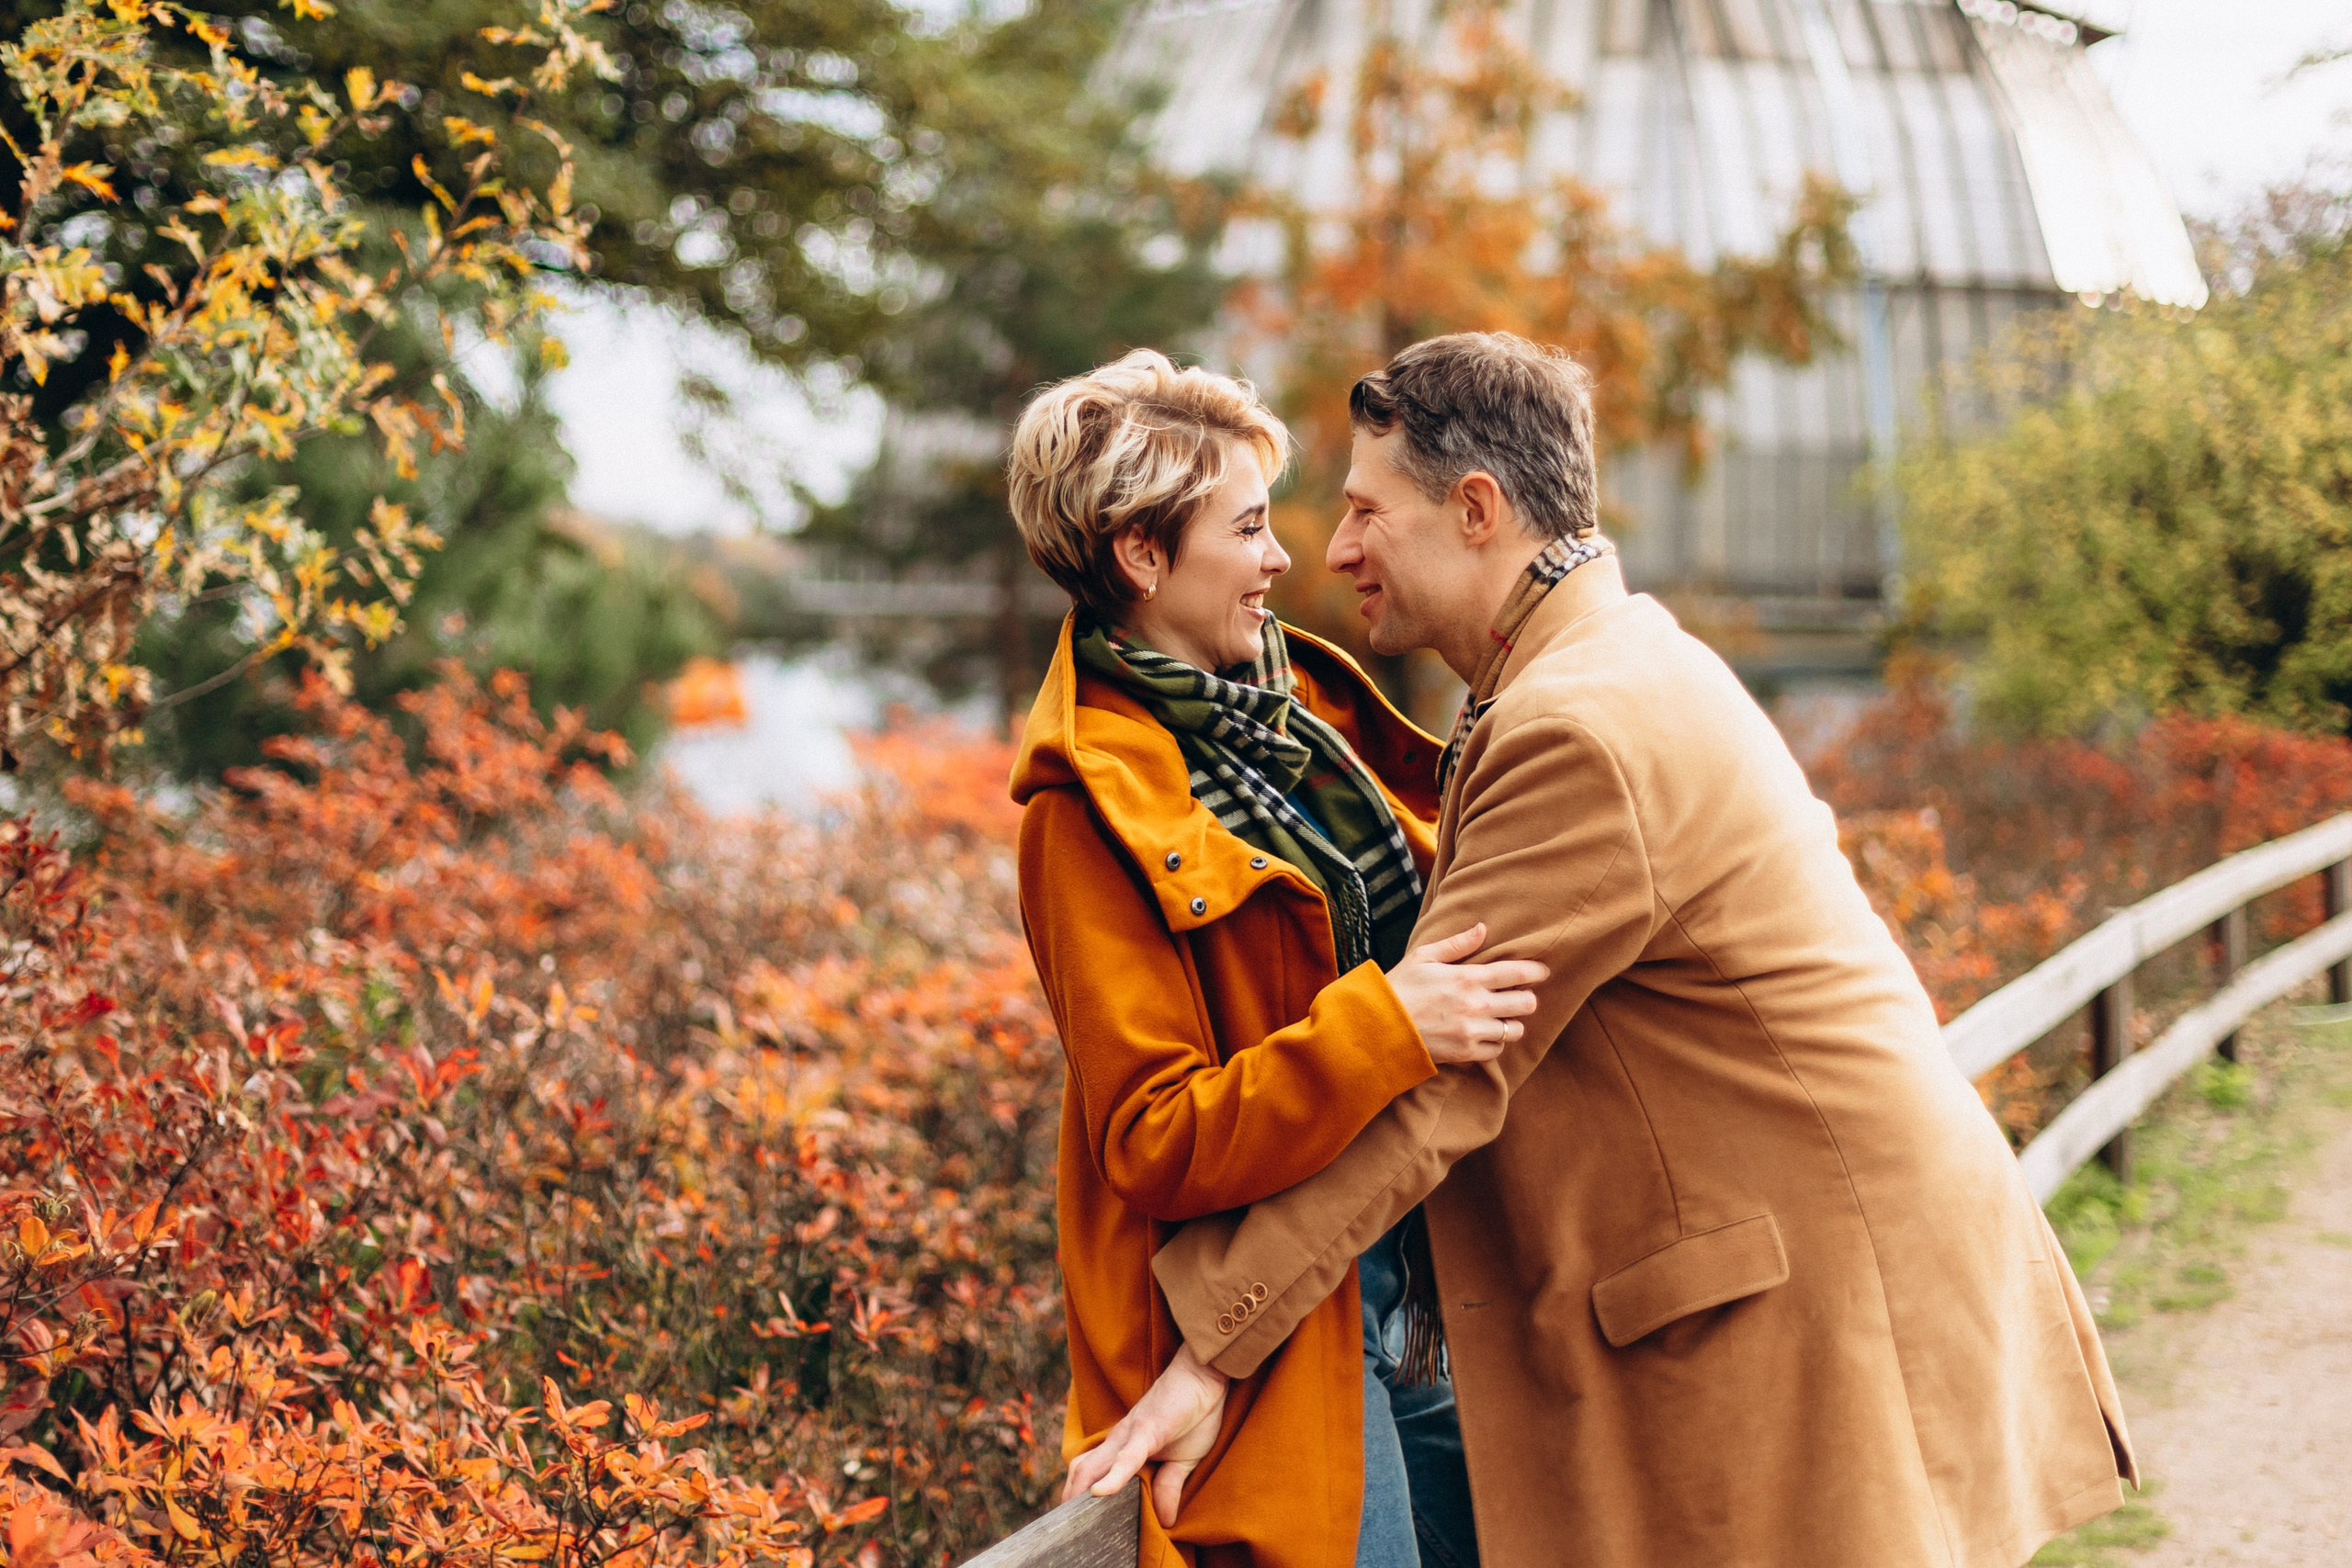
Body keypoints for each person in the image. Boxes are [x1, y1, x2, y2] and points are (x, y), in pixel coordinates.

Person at [1067, 333, 2138, 1568]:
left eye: (1367, 510)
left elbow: (1442, 1086)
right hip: (1840, 1254)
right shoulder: (1613, 662)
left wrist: (1207, 1354)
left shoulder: (1578, 729)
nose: (1337, 548)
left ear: (1476, 509)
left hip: (1812, 1298)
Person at [1004, 349, 1546, 1568]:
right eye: (1247, 527)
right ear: (1142, 556)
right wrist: (1389, 1026)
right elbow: (1154, 1138)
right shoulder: (1085, 809)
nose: (1281, 557)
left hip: (1433, 1270)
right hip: (1283, 1325)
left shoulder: (1310, 721)